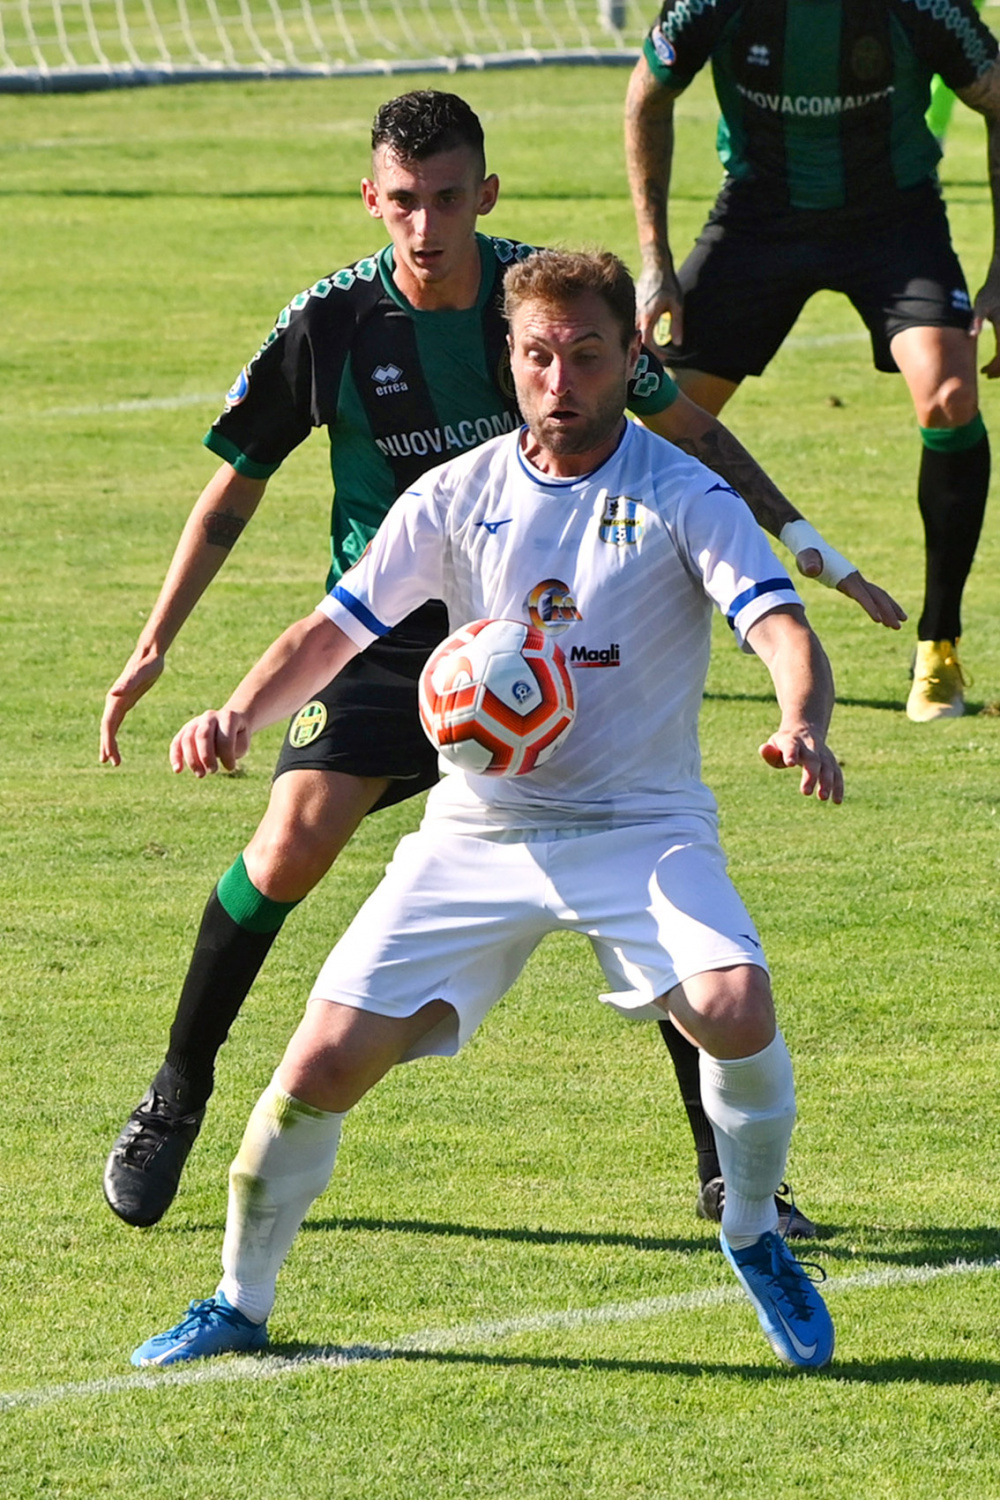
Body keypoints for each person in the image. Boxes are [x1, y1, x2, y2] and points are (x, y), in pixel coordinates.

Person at [101, 90, 898, 1239]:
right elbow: (235, 488)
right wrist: (158, 645)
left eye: (445, 200)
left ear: (485, 194)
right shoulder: (330, 321)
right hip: (393, 634)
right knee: (286, 844)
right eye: (402, 203)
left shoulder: (549, 307)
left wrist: (804, 547)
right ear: (372, 200)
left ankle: (728, 1175)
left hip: (546, 630)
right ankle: (177, 1092)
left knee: (630, 841)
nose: (424, 227)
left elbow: (695, 440)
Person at [130, 249, 838, 1373]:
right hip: (477, 830)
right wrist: (238, 713)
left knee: (733, 1005)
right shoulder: (459, 494)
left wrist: (802, 718)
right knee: (316, 1070)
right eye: (538, 356)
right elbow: (331, 633)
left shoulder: (682, 493)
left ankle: (750, 1231)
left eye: (587, 355)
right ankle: (237, 1300)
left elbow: (780, 627)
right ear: (510, 359)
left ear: (630, 358)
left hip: (637, 825)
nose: (561, 379)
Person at [625, 0, 1000, 724]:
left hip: (894, 217)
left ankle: (939, 645)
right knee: (652, 419)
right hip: (760, 217)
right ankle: (623, 626)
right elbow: (647, 94)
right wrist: (655, 263)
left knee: (951, 394)